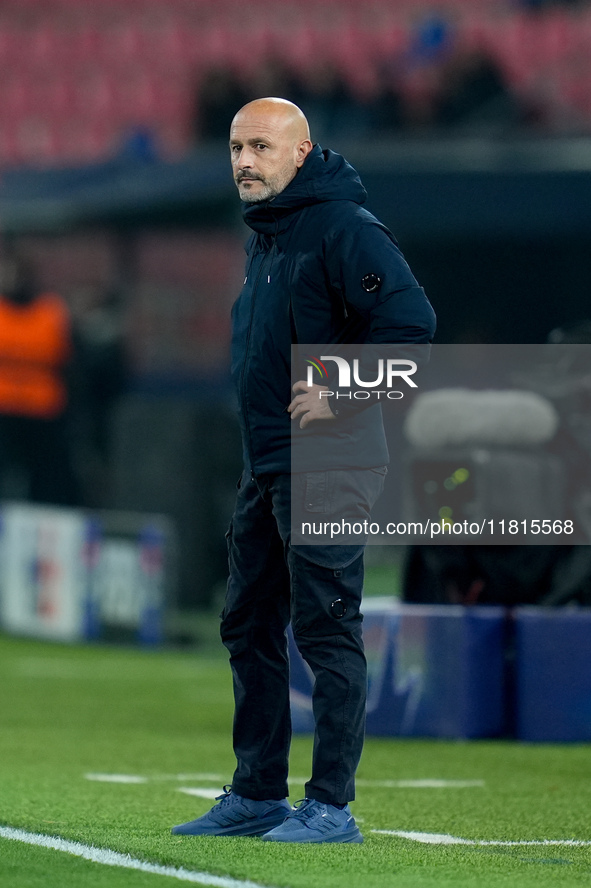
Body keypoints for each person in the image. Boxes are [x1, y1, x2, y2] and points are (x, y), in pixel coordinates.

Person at [172, 98, 435, 843]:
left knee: (325, 628)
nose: (243, 161)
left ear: (300, 151)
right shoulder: (270, 234)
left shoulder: (342, 228)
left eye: (260, 146)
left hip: (332, 461)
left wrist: (341, 388)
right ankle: (256, 793)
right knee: (247, 622)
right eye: (234, 147)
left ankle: (330, 806)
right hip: (270, 463)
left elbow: (413, 328)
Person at [0, 253, 79, 506]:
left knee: (47, 481)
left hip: (43, 412)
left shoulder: (51, 312)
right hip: (5, 411)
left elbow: (71, 363)